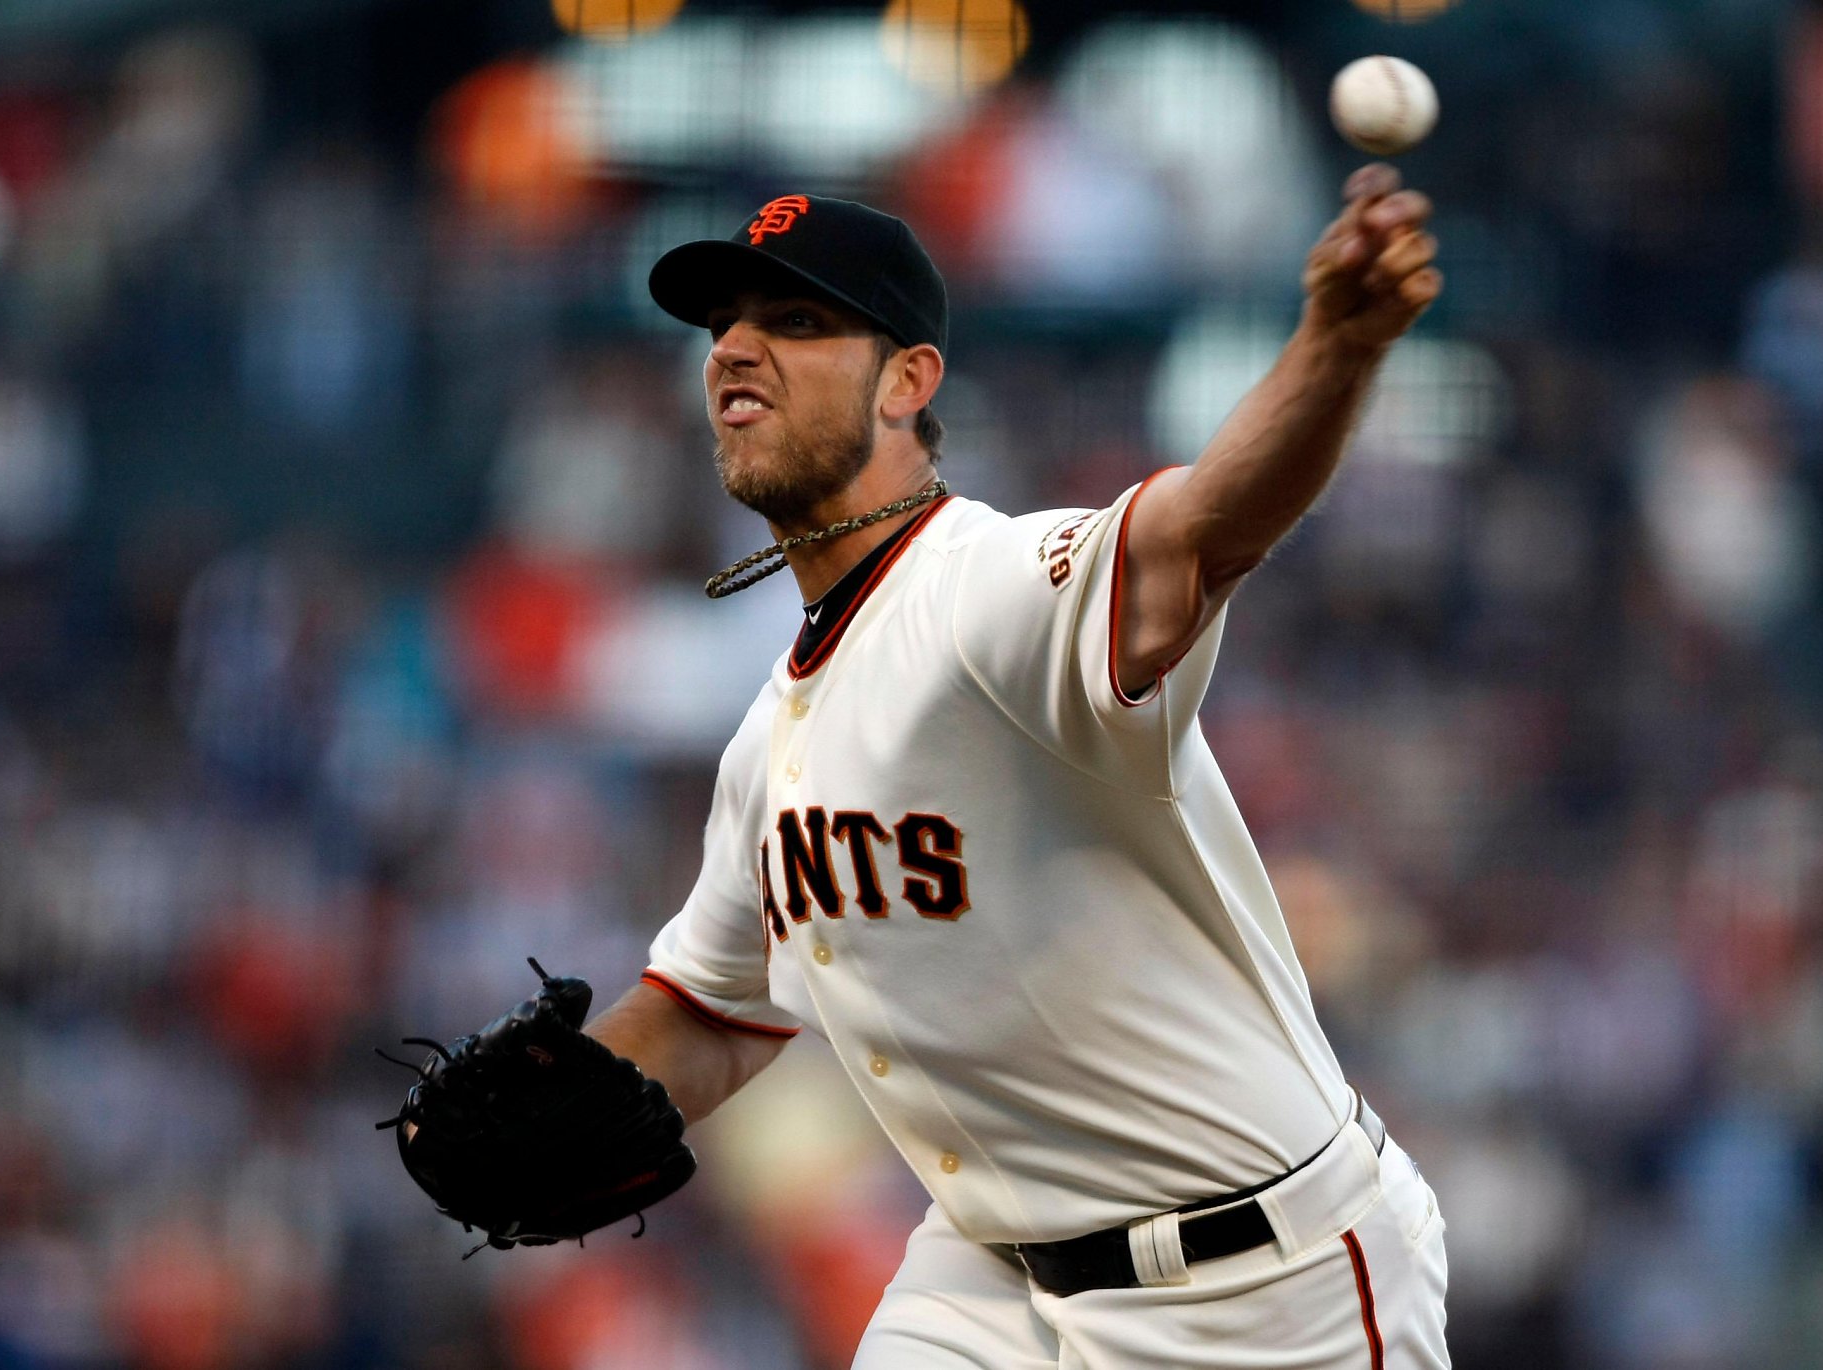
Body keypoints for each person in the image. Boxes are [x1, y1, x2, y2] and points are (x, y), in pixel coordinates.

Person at [585, 168, 1450, 1367]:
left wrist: (1336, 352)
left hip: (1257, 1279)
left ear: (908, 380)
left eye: (794, 322)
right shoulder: (768, 743)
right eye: (723, 323)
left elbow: (1205, 529)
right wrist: (564, 1106)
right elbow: (708, 1011)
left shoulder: (983, 588)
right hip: (991, 1278)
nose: (734, 347)